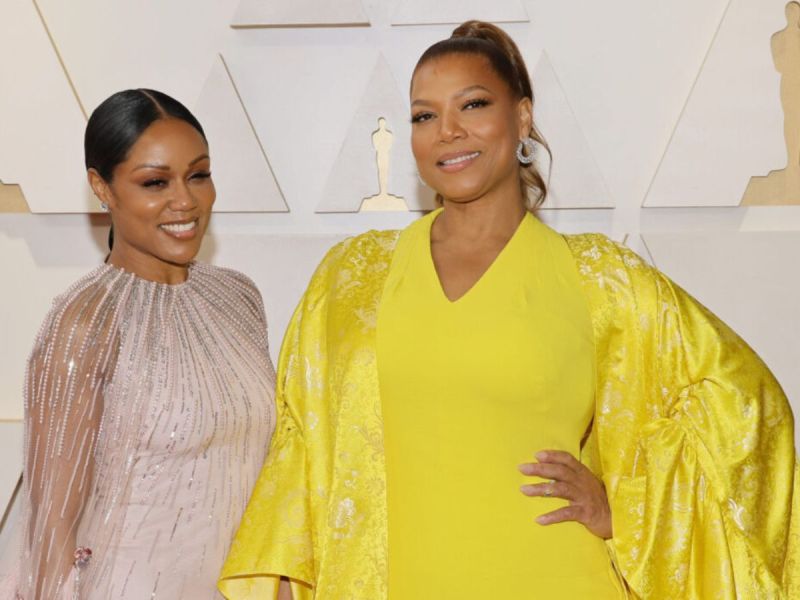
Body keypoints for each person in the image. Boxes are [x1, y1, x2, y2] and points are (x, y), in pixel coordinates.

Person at [219, 21, 799, 599]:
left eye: (472, 104)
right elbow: (299, 446)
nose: (447, 131)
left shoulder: (601, 278)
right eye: (424, 115)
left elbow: (745, 409)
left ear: (521, 118)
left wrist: (630, 506)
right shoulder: (352, 279)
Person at [13, 89, 275, 599]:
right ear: (101, 187)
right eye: (155, 182)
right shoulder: (84, 323)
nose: (186, 200)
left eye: (198, 174)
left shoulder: (239, 297)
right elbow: (50, 527)